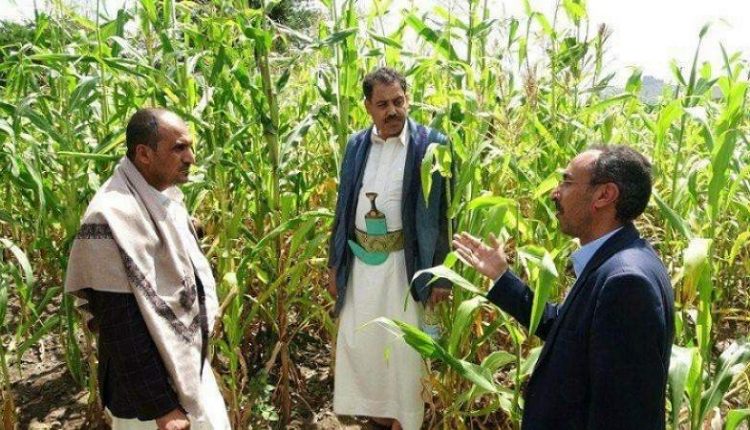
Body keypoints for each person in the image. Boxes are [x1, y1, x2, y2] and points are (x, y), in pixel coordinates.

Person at [453, 146, 674, 429]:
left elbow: (623, 414)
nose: (555, 194)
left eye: (567, 182)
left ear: (604, 195)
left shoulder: (626, 282)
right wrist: (502, 277)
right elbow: (565, 329)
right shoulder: (619, 260)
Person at [65, 108, 230, 430]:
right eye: (179, 148)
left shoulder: (159, 196)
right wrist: (162, 407)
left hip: (186, 365)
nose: (191, 158)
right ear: (143, 154)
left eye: (190, 147)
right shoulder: (110, 218)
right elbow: (120, 325)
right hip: (148, 400)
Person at [327, 67, 451, 430]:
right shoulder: (357, 145)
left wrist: (442, 274)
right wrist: (335, 264)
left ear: (407, 98)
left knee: (404, 349)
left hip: (406, 266)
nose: (393, 111)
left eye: (399, 101)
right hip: (361, 264)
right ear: (368, 106)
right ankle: (379, 416)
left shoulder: (431, 145)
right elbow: (344, 207)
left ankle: (406, 419)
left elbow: (445, 214)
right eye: (382, 105)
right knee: (363, 341)